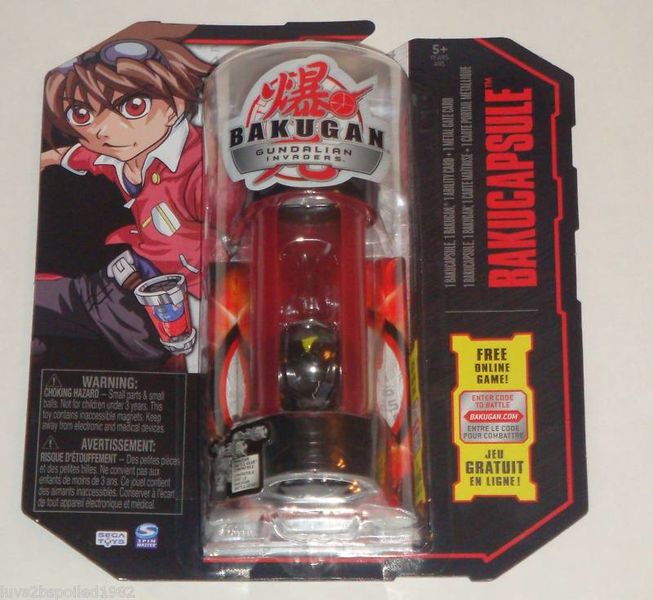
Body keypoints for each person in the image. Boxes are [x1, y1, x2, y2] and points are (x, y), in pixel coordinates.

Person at [36, 26, 213, 371]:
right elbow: (82, 156)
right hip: (128, 278)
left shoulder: (200, 169)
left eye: (132, 106)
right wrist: (44, 159)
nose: (102, 130)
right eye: (82, 114)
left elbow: (236, 241)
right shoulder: (120, 154)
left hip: (172, 308)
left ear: (175, 105)